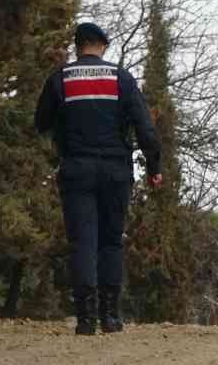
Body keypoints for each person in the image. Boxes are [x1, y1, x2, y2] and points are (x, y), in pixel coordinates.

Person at [34, 22, 164, 335]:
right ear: (103, 46)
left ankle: (85, 318)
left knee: (82, 241)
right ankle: (111, 316)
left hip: (76, 168)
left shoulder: (60, 79)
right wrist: (154, 166)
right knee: (110, 241)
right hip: (115, 171)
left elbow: (41, 123)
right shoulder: (121, 78)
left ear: (77, 46)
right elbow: (146, 130)